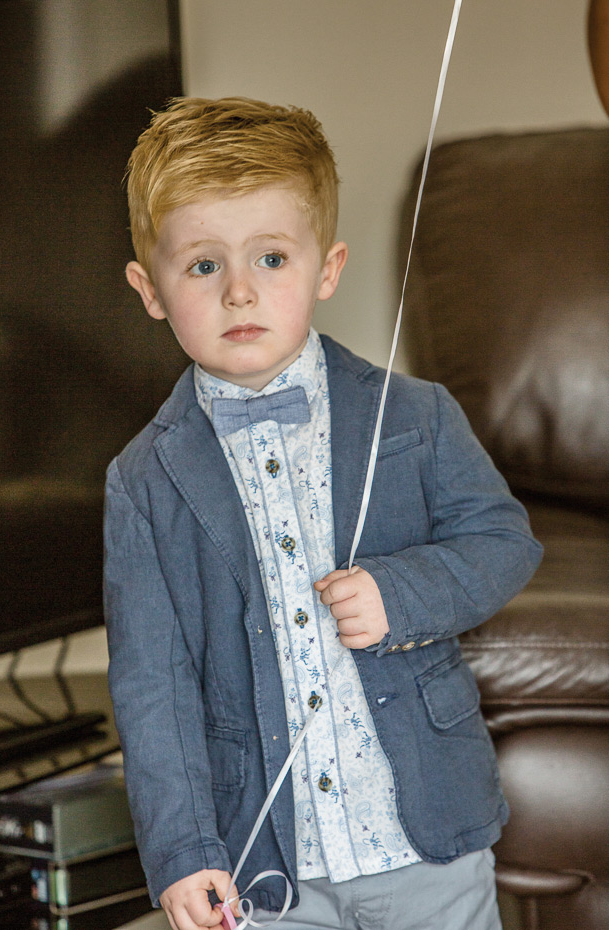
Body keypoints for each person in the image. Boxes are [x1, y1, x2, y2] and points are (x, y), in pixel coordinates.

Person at [104, 96, 543, 930]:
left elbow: (503, 543)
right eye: (202, 265)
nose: (239, 291)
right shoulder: (142, 481)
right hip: (268, 866)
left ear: (327, 268)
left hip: (427, 840)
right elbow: (151, 688)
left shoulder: (416, 416)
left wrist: (401, 594)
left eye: (271, 257)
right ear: (149, 289)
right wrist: (183, 849)